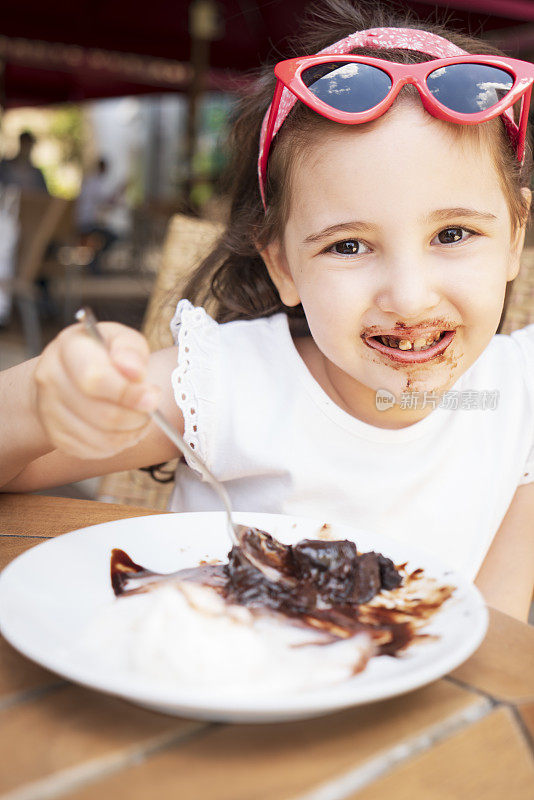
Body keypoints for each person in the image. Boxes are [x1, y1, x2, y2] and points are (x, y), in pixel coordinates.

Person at [1, 0, 533, 621]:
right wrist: (46, 399)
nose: (409, 297)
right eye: (349, 245)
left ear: (514, 241)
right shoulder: (229, 383)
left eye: (452, 235)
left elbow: (495, 631)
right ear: (282, 266)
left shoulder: (520, 393)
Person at [75, 158, 121, 273]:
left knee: (105, 236)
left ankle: (95, 264)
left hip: (85, 221)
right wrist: (119, 191)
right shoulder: (95, 183)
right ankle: (94, 264)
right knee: (112, 237)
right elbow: (106, 201)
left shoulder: (90, 181)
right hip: (87, 223)